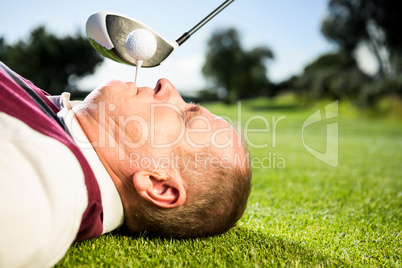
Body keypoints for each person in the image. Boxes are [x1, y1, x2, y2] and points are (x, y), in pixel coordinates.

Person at [0, 61, 251, 268]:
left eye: (185, 116)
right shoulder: (71, 135)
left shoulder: (40, 200)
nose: (166, 84)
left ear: (158, 185)